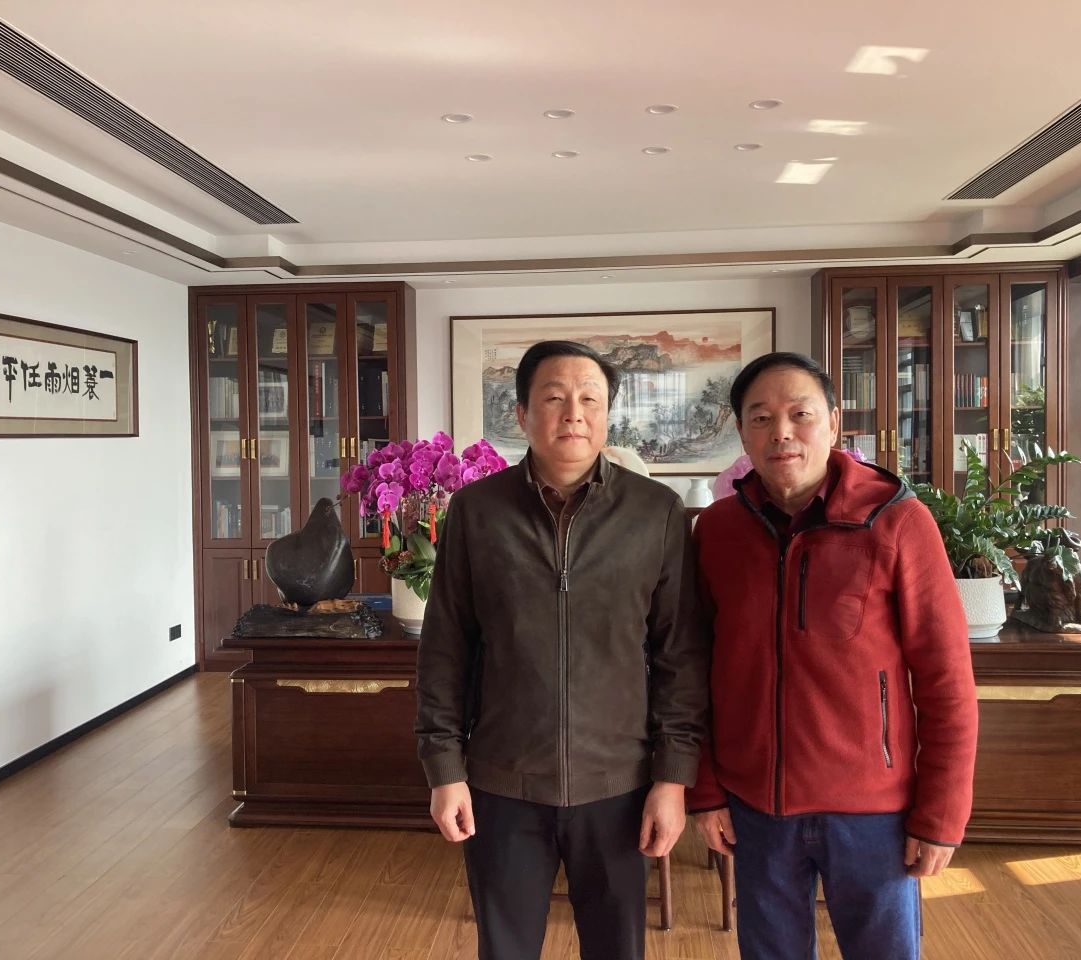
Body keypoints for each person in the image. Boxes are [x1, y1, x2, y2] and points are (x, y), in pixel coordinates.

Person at [415, 340, 710, 960]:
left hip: (619, 785)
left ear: (607, 414)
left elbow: (679, 656)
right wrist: (445, 770)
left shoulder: (656, 512)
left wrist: (672, 778)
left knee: (617, 949)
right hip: (502, 782)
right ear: (522, 413)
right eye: (554, 398)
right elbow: (446, 648)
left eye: (589, 399)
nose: (573, 413)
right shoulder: (477, 512)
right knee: (505, 949)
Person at [688, 351, 978, 960]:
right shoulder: (717, 530)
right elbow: (696, 668)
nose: (781, 432)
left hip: (872, 811)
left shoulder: (897, 521)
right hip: (755, 807)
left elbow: (946, 679)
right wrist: (706, 789)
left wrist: (942, 814)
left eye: (800, 414)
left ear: (835, 422)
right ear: (742, 431)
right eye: (761, 418)